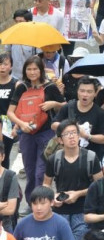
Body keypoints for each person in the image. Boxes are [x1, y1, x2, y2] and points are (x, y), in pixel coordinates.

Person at [43, 120, 103, 240]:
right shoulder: (54, 159)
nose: (71, 137)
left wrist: (78, 194)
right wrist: (53, 197)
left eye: (74, 133)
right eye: (67, 134)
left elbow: (100, 185)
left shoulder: (90, 157)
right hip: (60, 212)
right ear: (60, 139)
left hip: (83, 211)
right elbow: (46, 184)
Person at [7, 56, 64, 200]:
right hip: (26, 134)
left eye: (35, 69)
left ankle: (41, 202)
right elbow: (10, 112)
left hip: (46, 134)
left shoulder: (50, 87)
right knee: (30, 170)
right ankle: (31, 202)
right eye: (29, 69)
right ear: (25, 71)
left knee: (41, 172)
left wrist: (53, 104)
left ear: (41, 70)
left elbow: (65, 105)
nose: (32, 72)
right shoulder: (22, 87)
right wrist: (21, 124)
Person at [51, 76, 104, 159]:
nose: (85, 95)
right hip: (67, 156)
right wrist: (70, 127)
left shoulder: (100, 113)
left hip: (90, 157)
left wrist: (87, 136)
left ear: (95, 93)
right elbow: (53, 124)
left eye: (89, 92)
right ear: (77, 91)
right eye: (82, 91)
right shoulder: (69, 107)